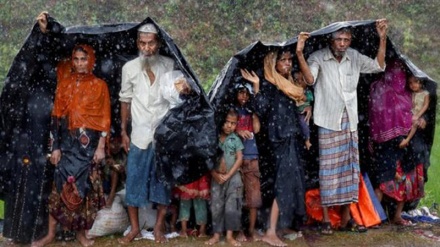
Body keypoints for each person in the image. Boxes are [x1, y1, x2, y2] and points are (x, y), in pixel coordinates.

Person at [296, 19, 388, 234]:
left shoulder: (353, 56)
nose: (343, 43)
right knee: (329, 172)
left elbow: (378, 65)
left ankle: (347, 219)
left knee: (349, 171)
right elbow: (310, 79)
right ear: (331, 39)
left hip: (350, 122)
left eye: (347, 39)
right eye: (339, 39)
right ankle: (327, 220)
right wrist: (300, 53)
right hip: (328, 121)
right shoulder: (318, 57)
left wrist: (382, 38)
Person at [31, 43, 111, 247]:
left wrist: (101, 146)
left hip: (89, 145)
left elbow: (104, 118)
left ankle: (81, 235)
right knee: (59, 186)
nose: (79, 63)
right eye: (76, 59)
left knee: (85, 188)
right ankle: (50, 234)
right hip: (67, 143)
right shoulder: (64, 84)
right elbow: (56, 117)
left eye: (83, 59)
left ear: (91, 61)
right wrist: (55, 147)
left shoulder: (100, 85)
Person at [118, 23, 190, 244]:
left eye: (151, 43)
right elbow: (125, 100)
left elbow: (179, 96)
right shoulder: (129, 68)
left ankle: (158, 228)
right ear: (138, 43)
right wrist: (123, 131)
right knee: (133, 181)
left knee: (162, 183)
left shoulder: (169, 66)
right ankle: (135, 229)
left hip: (162, 136)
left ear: (158, 43)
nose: (147, 47)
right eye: (142, 43)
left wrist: (184, 90)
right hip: (138, 134)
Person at [240, 33, 312, 247]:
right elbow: (260, 109)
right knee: (283, 184)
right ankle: (271, 231)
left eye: (290, 60)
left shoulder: (287, 84)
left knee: (291, 183)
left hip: (290, 139)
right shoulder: (270, 84)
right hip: (279, 141)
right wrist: (256, 86)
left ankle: (281, 225)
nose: (288, 63)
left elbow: (300, 97)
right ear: (273, 62)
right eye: (283, 60)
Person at [369, 60, 425, 226]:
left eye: (402, 74)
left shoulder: (407, 93)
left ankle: (395, 216)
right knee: (382, 181)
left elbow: (415, 112)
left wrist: (421, 120)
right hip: (384, 146)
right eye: (396, 74)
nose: (399, 78)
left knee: (402, 181)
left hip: (403, 145)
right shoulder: (378, 89)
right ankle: (376, 217)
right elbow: (376, 117)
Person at [205, 109, 244, 246]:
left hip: (233, 178)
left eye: (233, 123)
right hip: (217, 178)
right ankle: (216, 235)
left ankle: (229, 236)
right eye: (227, 122)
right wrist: (215, 174)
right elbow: (207, 160)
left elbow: (239, 159)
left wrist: (228, 175)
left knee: (232, 206)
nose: (229, 126)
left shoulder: (236, 139)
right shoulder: (213, 139)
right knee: (216, 206)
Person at [232, 83, 262, 242]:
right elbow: (227, 128)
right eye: (240, 93)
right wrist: (238, 130)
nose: (243, 97)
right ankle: (239, 230)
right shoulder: (232, 111)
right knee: (236, 196)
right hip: (236, 157)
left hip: (251, 156)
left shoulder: (251, 111)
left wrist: (254, 112)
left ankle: (252, 229)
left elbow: (256, 129)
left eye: (246, 94)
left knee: (253, 197)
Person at [399, 76, 430, 148]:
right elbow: (411, 105)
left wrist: (418, 115)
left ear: (420, 82)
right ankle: (403, 136)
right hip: (411, 112)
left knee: (415, 123)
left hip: (419, 113)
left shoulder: (425, 93)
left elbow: (425, 105)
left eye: (415, 82)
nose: (413, 85)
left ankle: (407, 139)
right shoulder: (412, 93)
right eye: (410, 83)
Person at [103, 136, 126, 208]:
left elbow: (123, 176)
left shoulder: (123, 155)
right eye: (113, 142)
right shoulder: (102, 153)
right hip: (103, 183)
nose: (115, 146)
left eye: (118, 143)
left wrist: (114, 164)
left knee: (115, 170)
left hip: (116, 186)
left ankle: (111, 194)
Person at [292, 71, 313, 150]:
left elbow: (310, 98)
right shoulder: (293, 90)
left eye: (302, 80)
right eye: (297, 80)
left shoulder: (307, 91)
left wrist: (304, 96)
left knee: (304, 124)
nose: (300, 82)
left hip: (303, 112)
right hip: (295, 113)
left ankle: (307, 139)